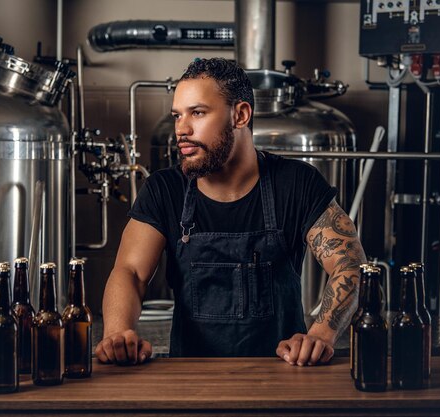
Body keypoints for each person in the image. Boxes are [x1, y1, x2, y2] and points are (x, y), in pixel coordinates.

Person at [94, 58, 366, 366]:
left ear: (240, 115)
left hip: (284, 375)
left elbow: (351, 265)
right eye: (177, 116)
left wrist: (321, 335)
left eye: (197, 113)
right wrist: (118, 332)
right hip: (190, 380)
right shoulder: (164, 189)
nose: (181, 129)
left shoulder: (296, 184)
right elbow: (129, 272)